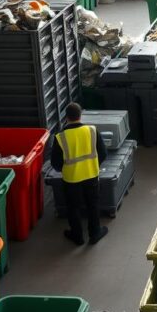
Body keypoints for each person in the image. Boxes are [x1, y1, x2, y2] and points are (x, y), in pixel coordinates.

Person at [50, 103, 108, 246]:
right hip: (91, 174)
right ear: (80, 115)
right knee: (92, 204)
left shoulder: (60, 137)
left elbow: (55, 163)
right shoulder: (92, 131)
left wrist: (65, 169)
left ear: (66, 117)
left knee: (73, 207)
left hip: (71, 179)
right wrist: (93, 164)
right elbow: (103, 153)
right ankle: (95, 233)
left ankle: (77, 236)